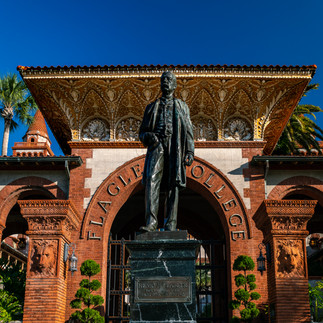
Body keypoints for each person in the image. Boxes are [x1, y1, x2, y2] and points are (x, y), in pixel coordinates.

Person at [139, 71, 194, 232]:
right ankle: (151, 223)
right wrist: (150, 136)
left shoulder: (182, 106)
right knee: (151, 181)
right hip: (157, 147)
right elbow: (142, 133)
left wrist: (190, 151)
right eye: (163, 80)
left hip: (175, 146)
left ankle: (171, 223)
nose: (166, 82)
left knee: (173, 184)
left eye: (170, 80)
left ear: (175, 85)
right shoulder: (151, 107)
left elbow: (189, 130)